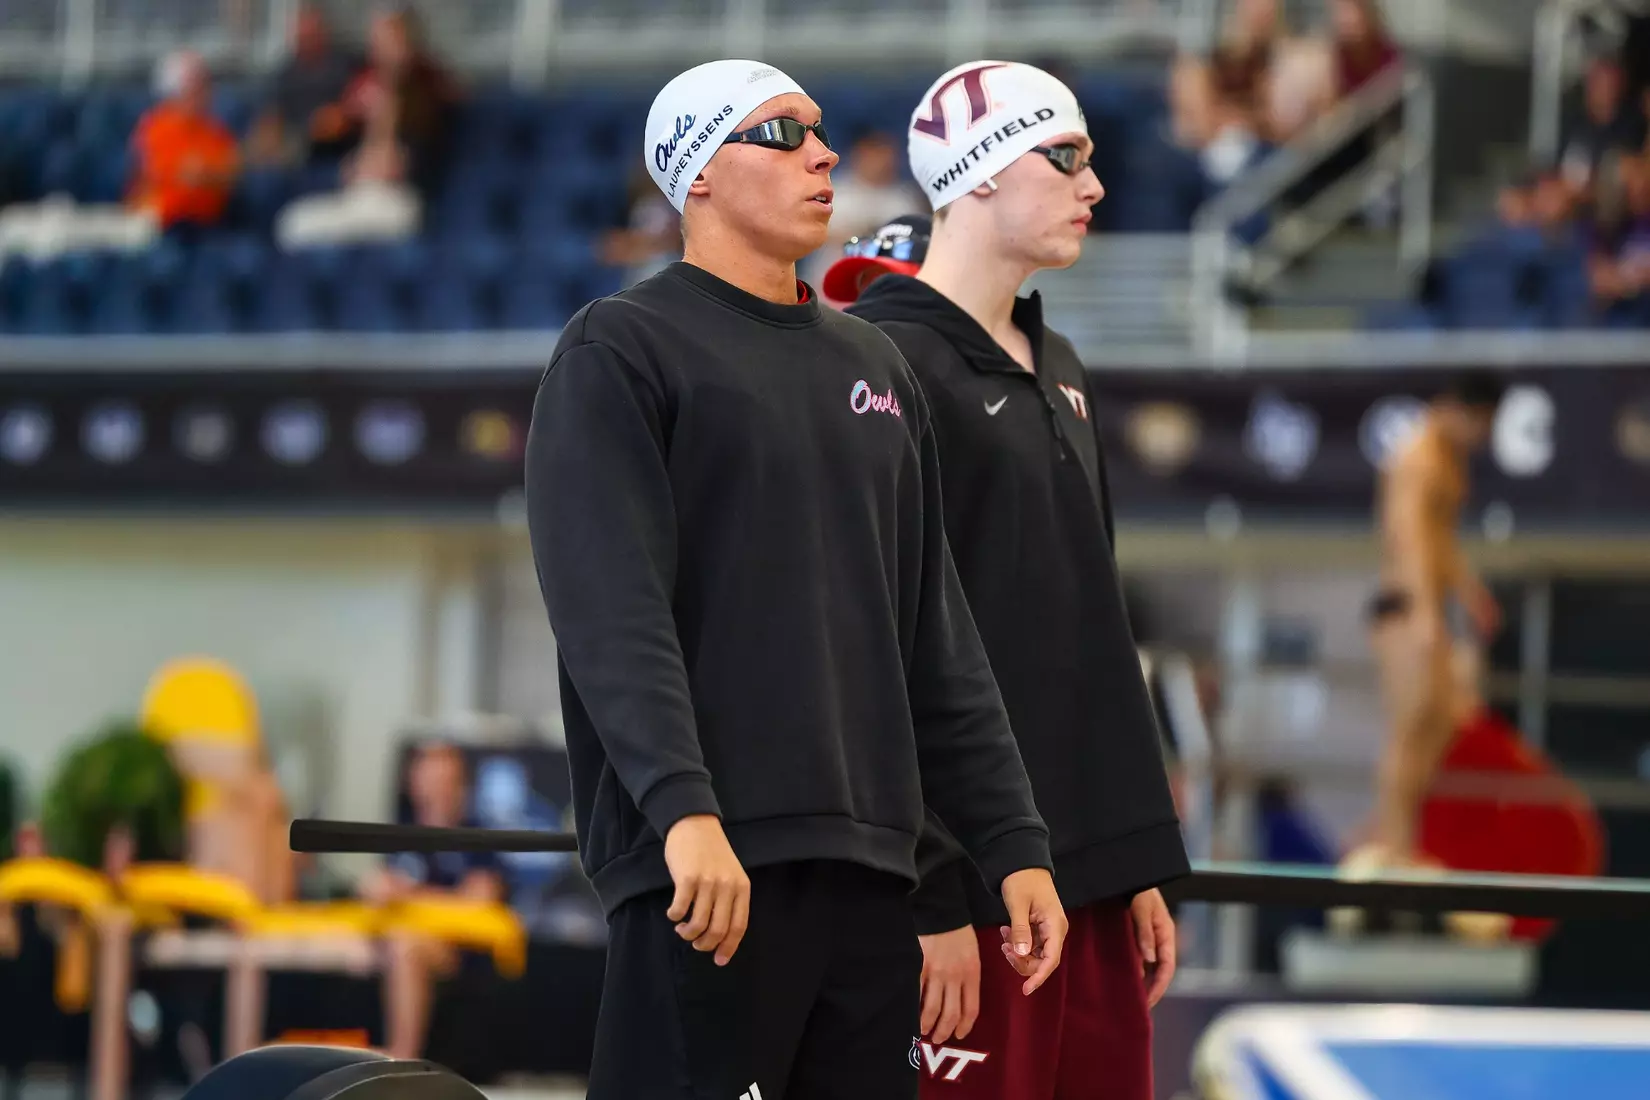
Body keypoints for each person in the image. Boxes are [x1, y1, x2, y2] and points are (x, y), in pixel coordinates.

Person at [525, 58, 1067, 1100]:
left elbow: (932, 635)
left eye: (820, 130)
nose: (822, 154)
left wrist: (1013, 840)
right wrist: (684, 810)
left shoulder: (874, 362)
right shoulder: (622, 348)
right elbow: (610, 608)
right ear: (699, 177)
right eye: (779, 134)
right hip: (710, 876)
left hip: (871, 875)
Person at [835, 60, 1190, 1100]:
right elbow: (875, 651)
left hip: (1085, 877)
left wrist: (1133, 859)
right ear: (981, 175)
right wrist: (932, 887)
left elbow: (1092, 627)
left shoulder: (1061, 363)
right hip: (971, 881)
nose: (1096, 187)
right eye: (1067, 158)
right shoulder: (883, 364)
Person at [1363, 370, 1506, 866]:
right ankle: (1392, 842)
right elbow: (1407, 536)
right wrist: (1424, 613)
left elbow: (1441, 538)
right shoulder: (1418, 455)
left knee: (1443, 720)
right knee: (1410, 723)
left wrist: (1469, 593)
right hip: (1404, 604)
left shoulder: (1451, 458)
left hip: (1429, 606)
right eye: (1482, 426)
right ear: (1463, 411)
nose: (1483, 439)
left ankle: (1404, 837)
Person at [360, 741, 504, 1059]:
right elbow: (374, 885)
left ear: (460, 784)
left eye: (444, 781)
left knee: (404, 946)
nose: (434, 790)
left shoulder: (475, 837)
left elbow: (481, 899)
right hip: (393, 933)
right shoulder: (401, 836)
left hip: (455, 948)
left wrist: (410, 896)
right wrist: (379, 890)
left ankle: (401, 1056)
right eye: (427, 778)